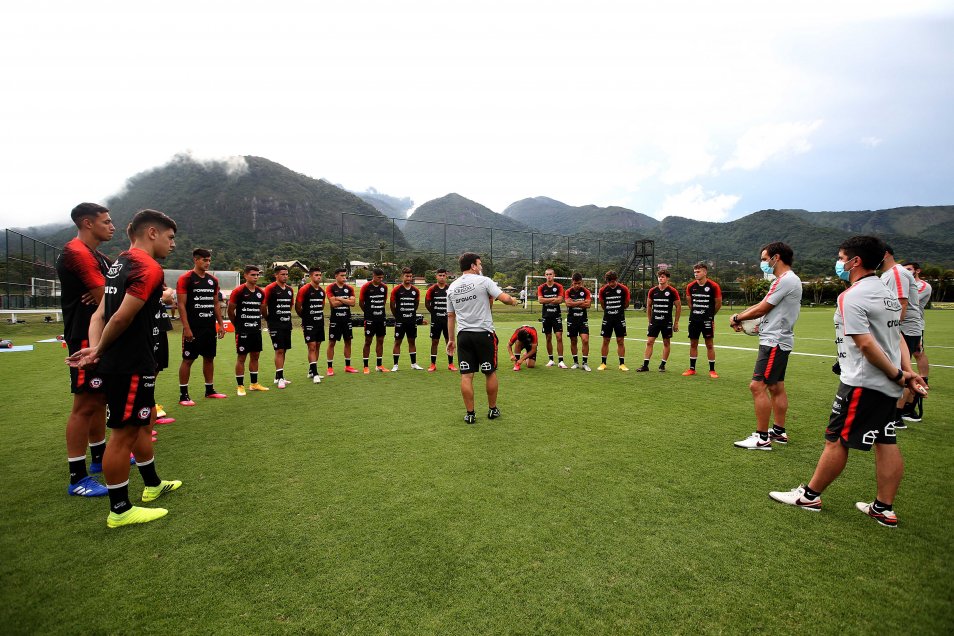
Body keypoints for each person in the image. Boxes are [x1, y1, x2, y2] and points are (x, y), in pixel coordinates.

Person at [769, 235, 926, 528]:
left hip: (863, 383)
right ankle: (883, 508)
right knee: (885, 439)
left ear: (855, 261)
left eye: (842, 258)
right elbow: (897, 336)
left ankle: (810, 496)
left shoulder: (852, 296)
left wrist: (898, 374)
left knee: (837, 440)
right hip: (886, 383)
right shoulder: (886, 292)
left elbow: (865, 344)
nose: (839, 263)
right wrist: (906, 372)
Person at [67, 209, 183, 528]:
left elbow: (98, 316)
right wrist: (100, 350)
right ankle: (120, 509)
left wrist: (94, 350)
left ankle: (152, 484)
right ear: (151, 233)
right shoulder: (148, 266)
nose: (173, 244)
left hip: (120, 361)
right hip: (130, 363)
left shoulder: (119, 262)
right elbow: (120, 318)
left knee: (141, 426)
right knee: (122, 435)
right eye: (170, 237)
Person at [56, 202, 115, 497]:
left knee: (99, 399)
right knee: (84, 405)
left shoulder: (99, 255)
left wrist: (108, 294)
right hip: (84, 337)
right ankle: (77, 476)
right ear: (87, 223)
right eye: (106, 221)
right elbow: (106, 295)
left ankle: (98, 459)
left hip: (100, 335)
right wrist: (107, 294)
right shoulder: (76, 252)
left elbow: (114, 290)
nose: (112, 226)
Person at [730, 242, 802, 450]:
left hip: (774, 342)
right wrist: (743, 317)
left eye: (764, 259)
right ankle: (779, 432)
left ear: (776, 257)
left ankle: (762, 438)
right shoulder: (784, 280)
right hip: (779, 340)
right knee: (776, 386)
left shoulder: (786, 280)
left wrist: (737, 317)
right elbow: (764, 305)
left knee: (757, 385)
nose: (763, 263)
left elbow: (762, 308)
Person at [446, 252, 519, 423]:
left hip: (463, 335)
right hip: (484, 334)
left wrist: (451, 339)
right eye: (479, 264)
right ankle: (492, 410)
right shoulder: (484, 280)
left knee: (466, 375)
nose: (481, 267)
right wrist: (513, 300)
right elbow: (505, 298)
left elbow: (450, 316)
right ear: (472, 266)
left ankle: (470, 414)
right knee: (489, 372)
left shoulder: (452, 287)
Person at [879, 246, 923, 431]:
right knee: (895, 368)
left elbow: (901, 302)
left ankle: (896, 416)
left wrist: (892, 329)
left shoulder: (896, 273)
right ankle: (894, 412)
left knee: (901, 369)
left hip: (902, 328)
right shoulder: (887, 274)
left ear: (886, 254)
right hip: (899, 329)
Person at [176, 248, 226, 405]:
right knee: (188, 359)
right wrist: (186, 327)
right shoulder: (186, 279)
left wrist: (220, 324)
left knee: (209, 358)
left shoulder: (213, 280)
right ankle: (183, 395)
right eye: (204, 260)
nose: (208, 263)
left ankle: (209, 390)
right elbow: (181, 305)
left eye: (209, 260)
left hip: (209, 327)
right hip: (193, 327)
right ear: (196, 260)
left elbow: (216, 303)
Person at [228, 265, 269, 395]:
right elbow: (230, 311)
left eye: (257, 275)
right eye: (253, 275)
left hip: (256, 330)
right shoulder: (239, 291)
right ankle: (240, 386)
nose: (256, 277)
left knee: (255, 356)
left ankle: (254, 384)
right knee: (241, 358)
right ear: (245, 275)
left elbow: (262, 309)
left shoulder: (260, 292)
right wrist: (238, 326)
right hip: (243, 331)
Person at [902, 261, 931, 421]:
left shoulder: (922, 286)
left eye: (909, 269)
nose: (906, 272)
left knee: (914, 355)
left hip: (913, 326)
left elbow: (906, 299)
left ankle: (906, 409)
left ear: (917, 270)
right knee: (914, 354)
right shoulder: (907, 284)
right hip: (904, 326)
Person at [683, 262, 722, 378]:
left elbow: (718, 303)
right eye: (694, 272)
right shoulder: (690, 286)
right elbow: (690, 303)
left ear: (705, 272)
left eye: (698, 272)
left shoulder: (713, 286)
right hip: (694, 320)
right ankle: (692, 369)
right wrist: (696, 313)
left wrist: (709, 315)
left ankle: (712, 370)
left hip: (707, 320)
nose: (696, 274)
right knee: (693, 343)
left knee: (709, 344)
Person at [638, 270, 681, 372]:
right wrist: (650, 320)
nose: (661, 278)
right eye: (659, 277)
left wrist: (676, 323)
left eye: (663, 277)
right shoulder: (653, 291)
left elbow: (678, 307)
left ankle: (662, 364)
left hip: (666, 322)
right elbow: (649, 306)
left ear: (667, 278)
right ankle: (645, 365)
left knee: (666, 343)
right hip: (655, 321)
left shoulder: (672, 291)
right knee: (649, 342)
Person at [263, 265, 295, 389]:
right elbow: (263, 306)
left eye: (287, 274)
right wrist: (268, 319)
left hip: (287, 323)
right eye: (282, 274)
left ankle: (278, 376)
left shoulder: (290, 289)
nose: (285, 276)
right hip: (275, 324)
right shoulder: (270, 288)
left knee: (284, 349)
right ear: (276, 275)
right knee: (279, 350)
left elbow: (290, 306)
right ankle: (280, 377)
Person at [296, 266, 326, 384]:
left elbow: (322, 306)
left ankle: (311, 370)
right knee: (312, 346)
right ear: (310, 276)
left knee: (317, 345)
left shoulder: (322, 291)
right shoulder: (304, 289)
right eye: (316, 275)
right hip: (309, 323)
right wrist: (305, 318)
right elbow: (298, 307)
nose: (318, 277)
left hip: (319, 322)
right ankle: (315, 373)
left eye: (319, 275)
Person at [326, 268, 358, 375]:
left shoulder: (349, 288)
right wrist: (346, 301)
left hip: (347, 319)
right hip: (335, 320)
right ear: (336, 276)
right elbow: (333, 304)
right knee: (332, 342)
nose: (344, 278)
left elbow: (353, 303)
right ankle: (330, 368)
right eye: (342, 276)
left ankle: (348, 366)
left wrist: (339, 299)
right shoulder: (330, 287)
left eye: (345, 276)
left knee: (348, 341)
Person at [391, 267, 424, 371]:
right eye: (407, 276)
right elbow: (392, 305)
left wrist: (410, 314)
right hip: (400, 321)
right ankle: (395, 365)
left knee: (412, 341)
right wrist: (398, 316)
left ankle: (413, 364)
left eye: (410, 276)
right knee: (397, 342)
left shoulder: (416, 290)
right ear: (402, 276)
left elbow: (416, 305)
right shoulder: (396, 290)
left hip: (411, 321)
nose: (409, 278)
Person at [597, 271, 630, 371]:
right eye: (609, 281)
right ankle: (603, 363)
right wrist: (610, 311)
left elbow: (627, 303)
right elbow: (603, 305)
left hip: (619, 318)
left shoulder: (623, 289)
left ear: (616, 279)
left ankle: (622, 364)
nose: (612, 283)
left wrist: (618, 311)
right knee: (606, 340)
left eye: (613, 281)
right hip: (607, 319)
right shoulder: (603, 290)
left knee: (620, 341)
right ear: (606, 281)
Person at [425, 268, 456, 371]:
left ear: (446, 276)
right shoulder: (432, 289)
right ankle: (432, 364)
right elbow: (427, 303)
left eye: (443, 275)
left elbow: (454, 303)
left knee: (449, 341)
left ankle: (451, 364)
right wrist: (434, 313)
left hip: (448, 321)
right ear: (436, 276)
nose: (442, 277)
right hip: (436, 320)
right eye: (440, 275)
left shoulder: (450, 288)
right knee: (435, 341)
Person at [359, 268, 389, 373]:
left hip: (381, 318)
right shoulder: (366, 287)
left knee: (380, 341)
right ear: (373, 276)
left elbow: (384, 301)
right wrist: (368, 313)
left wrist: (378, 311)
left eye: (382, 277)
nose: (380, 279)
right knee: (368, 341)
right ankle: (366, 366)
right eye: (378, 277)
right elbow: (361, 303)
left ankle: (379, 365)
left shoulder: (384, 287)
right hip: (370, 319)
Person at [154, 286, 176, 424]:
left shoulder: (158, 285)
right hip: (150, 330)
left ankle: (149, 407)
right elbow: (167, 296)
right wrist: (168, 291)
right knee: (146, 373)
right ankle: (145, 411)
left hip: (160, 330)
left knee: (154, 370)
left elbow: (170, 301)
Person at [537, 268, 567, 368]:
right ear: (545, 276)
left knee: (559, 337)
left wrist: (547, 300)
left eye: (550, 274)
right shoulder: (541, 287)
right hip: (546, 316)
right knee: (548, 337)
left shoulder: (559, 286)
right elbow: (540, 300)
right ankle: (551, 359)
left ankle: (561, 361)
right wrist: (553, 299)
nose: (549, 276)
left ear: (554, 275)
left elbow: (560, 300)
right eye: (547, 274)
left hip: (556, 316)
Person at [564, 273, 592, 371]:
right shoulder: (568, 291)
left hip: (583, 319)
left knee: (585, 340)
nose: (577, 285)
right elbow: (568, 303)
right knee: (573, 340)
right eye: (575, 283)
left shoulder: (586, 291)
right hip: (572, 320)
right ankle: (575, 362)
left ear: (582, 282)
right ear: (572, 282)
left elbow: (588, 305)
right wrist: (581, 302)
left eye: (579, 283)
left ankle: (585, 363)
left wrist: (574, 303)